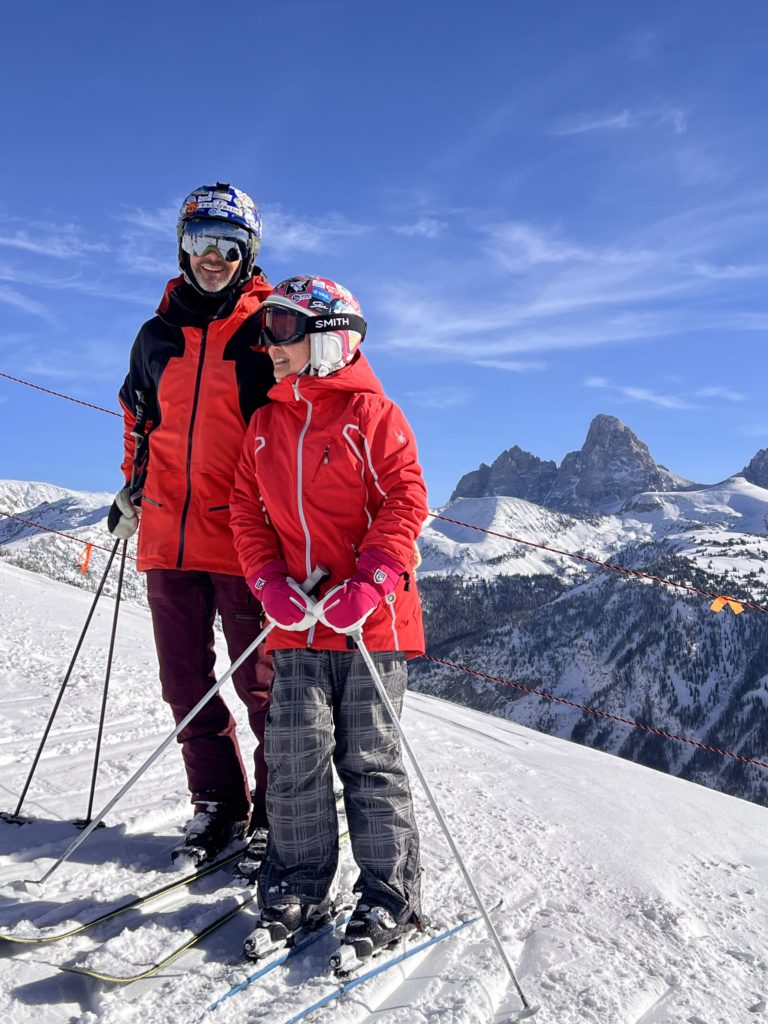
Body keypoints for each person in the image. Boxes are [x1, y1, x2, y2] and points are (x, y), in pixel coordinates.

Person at [229, 275, 428, 958]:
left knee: (369, 762)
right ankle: (300, 886)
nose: (269, 344)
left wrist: (371, 580)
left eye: (283, 328)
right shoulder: (265, 424)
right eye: (266, 330)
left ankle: (390, 897)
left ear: (329, 336)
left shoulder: (374, 415)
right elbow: (245, 512)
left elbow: (406, 500)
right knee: (293, 758)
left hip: (371, 625)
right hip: (297, 623)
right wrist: (266, 580)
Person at [108, 182, 276, 867]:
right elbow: (139, 420)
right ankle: (218, 802)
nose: (215, 257)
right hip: (166, 539)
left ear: (248, 254)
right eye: (203, 241)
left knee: (264, 688)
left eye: (230, 246)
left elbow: (293, 429)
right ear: (183, 246)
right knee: (184, 684)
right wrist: (133, 487)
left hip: (245, 542)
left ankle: (279, 811)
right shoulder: (156, 336)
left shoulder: (268, 330)